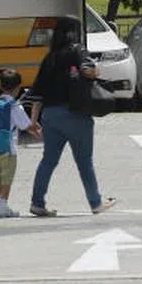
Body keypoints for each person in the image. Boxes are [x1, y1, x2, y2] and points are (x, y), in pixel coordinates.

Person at [28, 16, 118, 217]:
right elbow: (89, 71)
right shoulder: (78, 50)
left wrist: (33, 122)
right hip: (75, 114)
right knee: (84, 161)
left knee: (48, 160)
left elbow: (38, 93)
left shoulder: (49, 57)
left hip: (50, 116)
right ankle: (95, 202)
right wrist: (96, 70)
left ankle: (37, 202)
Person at [0, 69, 41, 218]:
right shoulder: (14, 106)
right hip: (8, 147)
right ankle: (3, 205)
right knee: (7, 176)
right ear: (18, 88)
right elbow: (26, 125)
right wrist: (37, 129)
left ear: (0, 85)